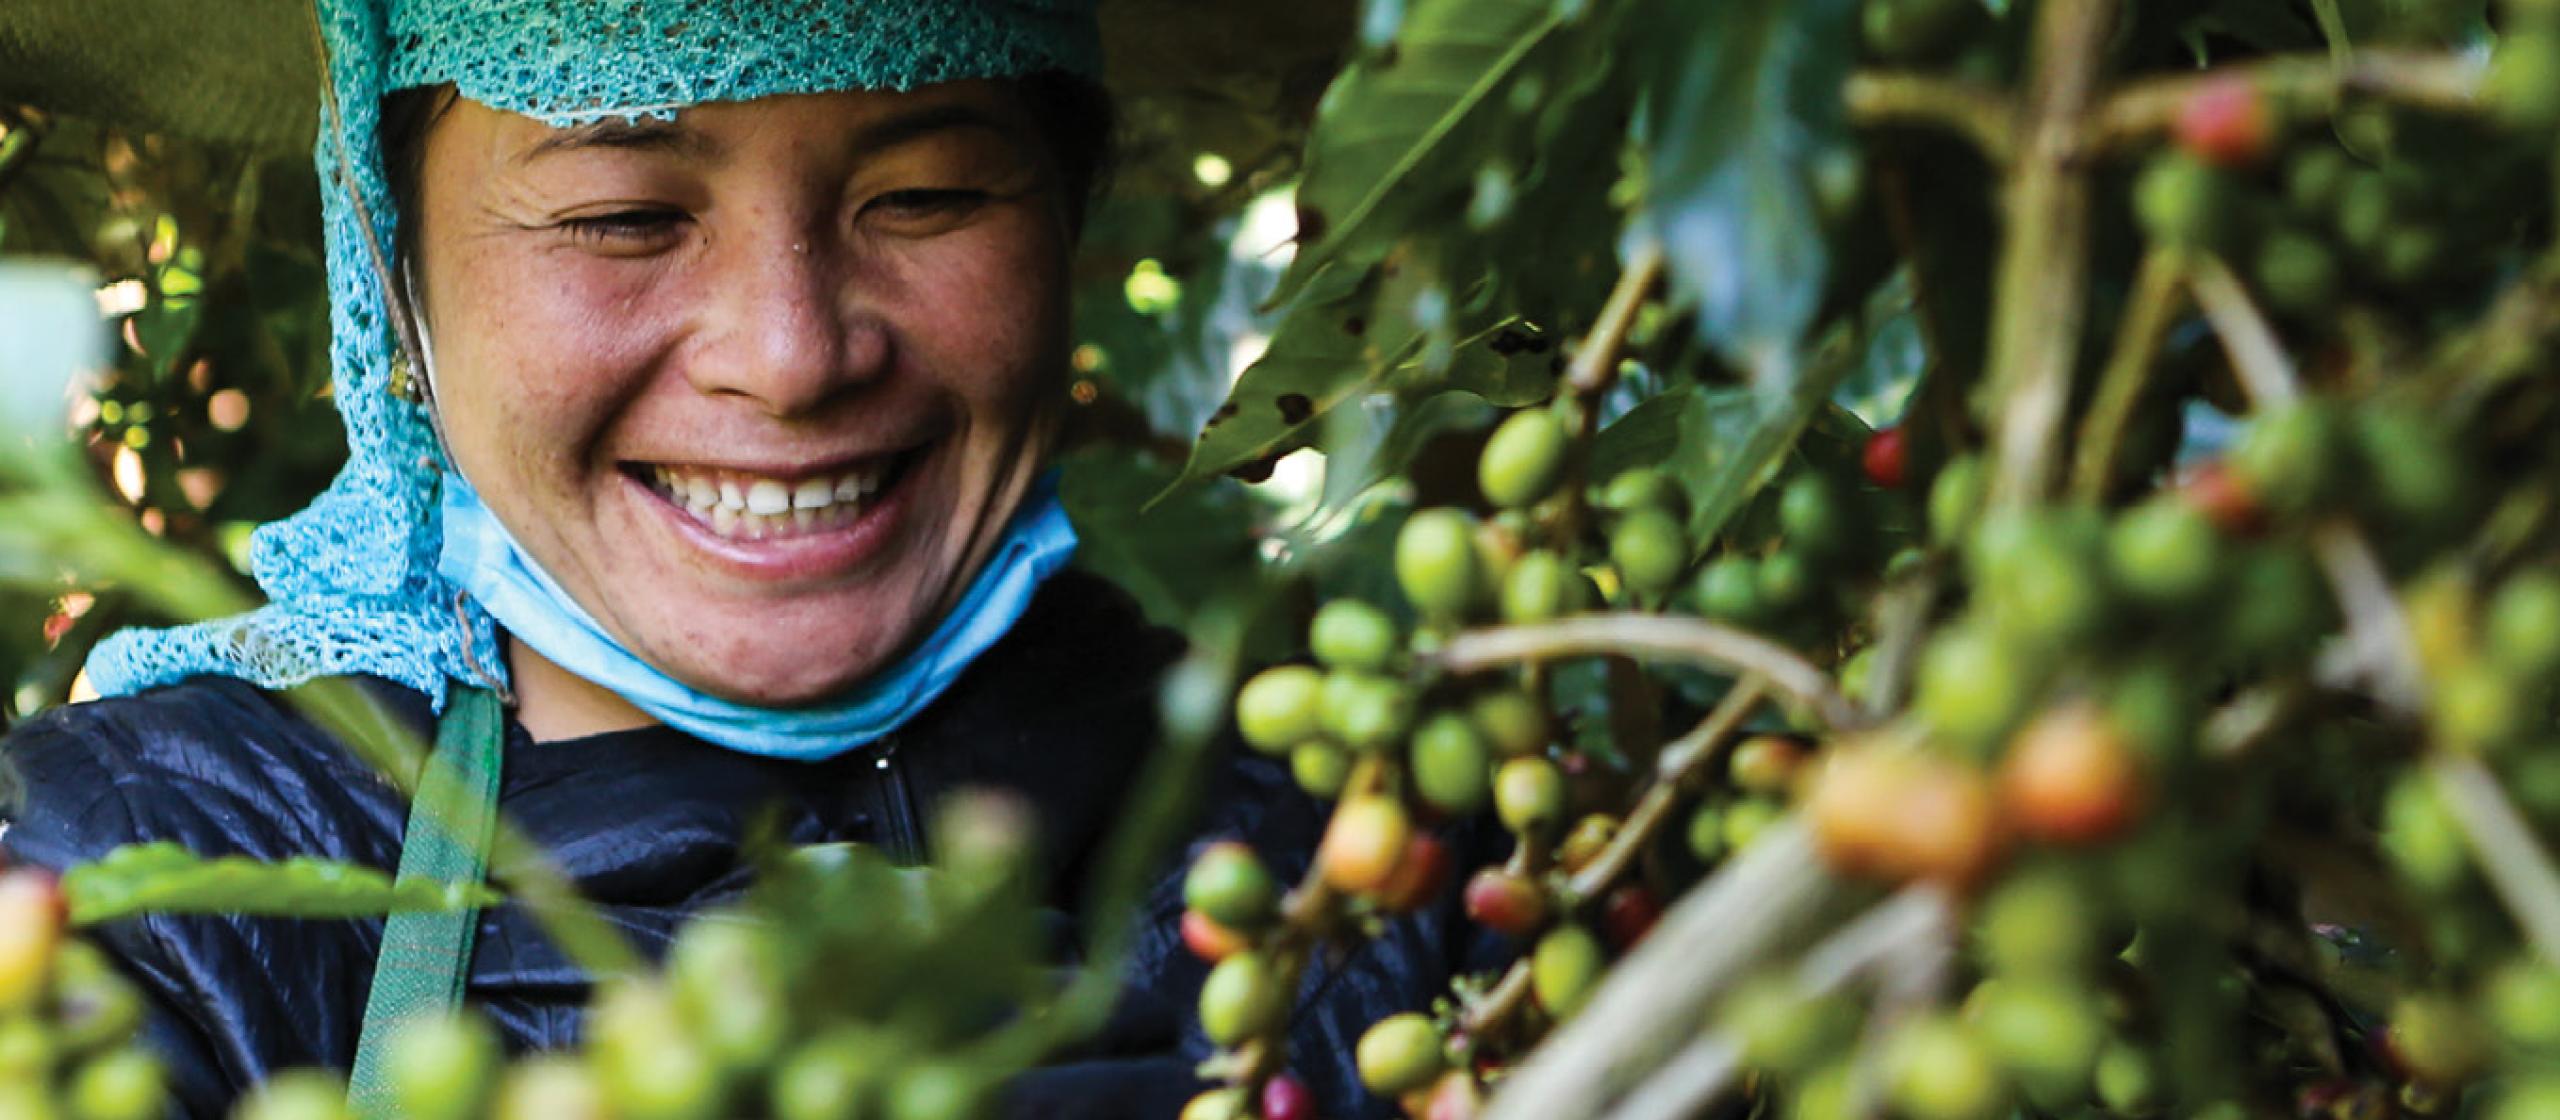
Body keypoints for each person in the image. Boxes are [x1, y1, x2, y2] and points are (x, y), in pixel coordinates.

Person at [0, 2, 1489, 1116]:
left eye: (926, 197)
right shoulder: (138, 900)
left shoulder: (1381, 855)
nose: (790, 357)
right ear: (393, 277)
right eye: (622, 216)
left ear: (1069, 225)